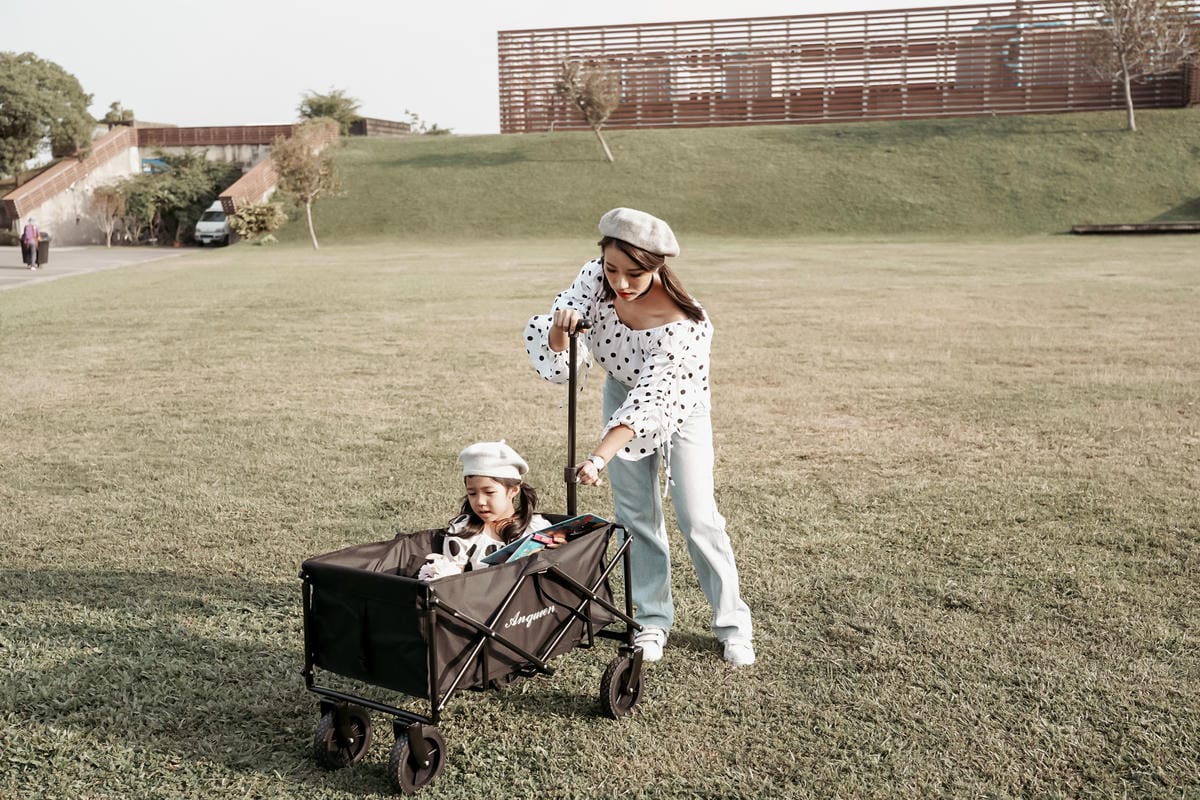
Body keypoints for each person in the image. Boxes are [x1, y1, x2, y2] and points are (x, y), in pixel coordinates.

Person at [524, 207, 755, 667]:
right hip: (619, 390)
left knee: (697, 516)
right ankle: (652, 620)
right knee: (635, 516)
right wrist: (559, 325)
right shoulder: (595, 278)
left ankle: (733, 626)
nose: (621, 283)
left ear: (658, 267)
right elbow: (559, 353)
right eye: (612, 269)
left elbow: (651, 402)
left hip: (681, 405)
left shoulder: (686, 325)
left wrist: (598, 458)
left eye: (635, 273)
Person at [431, 440, 554, 575]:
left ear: (513, 490)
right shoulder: (464, 531)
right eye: (472, 493)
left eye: (489, 492)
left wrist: (558, 551)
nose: (480, 501)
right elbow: (451, 581)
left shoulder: (536, 528)